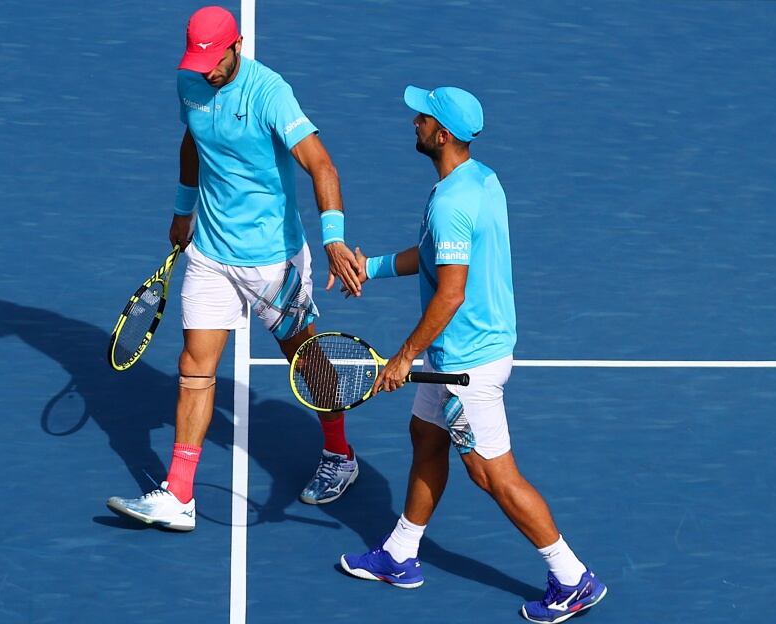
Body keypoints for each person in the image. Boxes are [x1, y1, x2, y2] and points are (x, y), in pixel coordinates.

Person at [338, 85, 607, 623]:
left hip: (466, 366)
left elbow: (451, 292)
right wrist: (374, 267)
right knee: (425, 438)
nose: (413, 121)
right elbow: (440, 259)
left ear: (442, 134)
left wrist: (401, 358)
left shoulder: (451, 203)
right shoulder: (481, 180)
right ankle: (399, 553)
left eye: (423, 117)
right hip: (461, 354)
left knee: (492, 475)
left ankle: (572, 576)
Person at [106, 6, 364, 532]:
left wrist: (334, 240)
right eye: (197, 62)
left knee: (307, 360)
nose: (206, 71)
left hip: (274, 261)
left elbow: (322, 164)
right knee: (194, 369)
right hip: (209, 256)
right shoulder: (190, 80)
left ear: (237, 46)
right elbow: (192, 142)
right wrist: (183, 210)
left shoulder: (271, 92)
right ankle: (178, 495)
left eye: (214, 61)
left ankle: (339, 452)